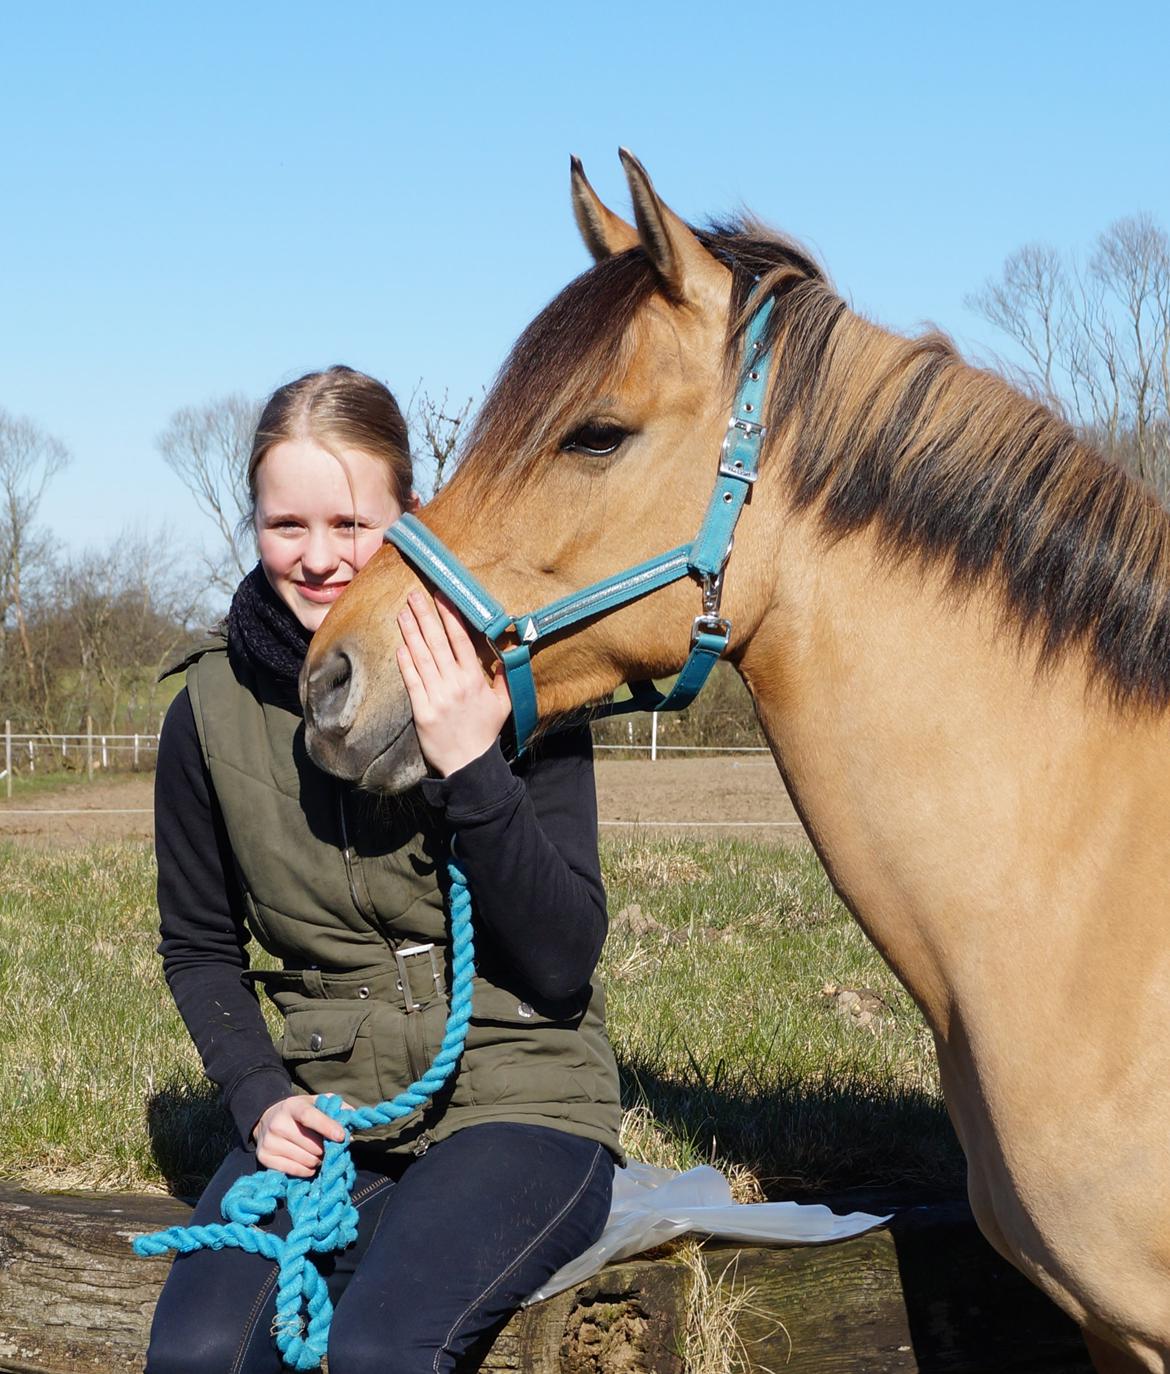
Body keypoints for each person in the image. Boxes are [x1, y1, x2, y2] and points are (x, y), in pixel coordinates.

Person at [144, 366, 620, 1373]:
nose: (318, 561)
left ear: (409, 519)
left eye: (351, 526)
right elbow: (198, 949)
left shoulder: (520, 681)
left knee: (381, 1351)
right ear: (255, 523)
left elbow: (564, 958)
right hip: (333, 1103)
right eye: (286, 526)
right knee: (197, 1349)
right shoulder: (207, 713)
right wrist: (260, 1098)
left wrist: (472, 766)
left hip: (519, 1092)